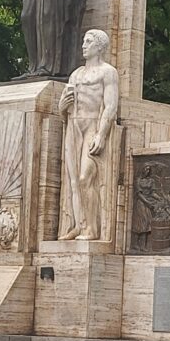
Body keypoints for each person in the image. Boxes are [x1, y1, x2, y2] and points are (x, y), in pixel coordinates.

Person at [58, 29, 119, 241]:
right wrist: (61, 107)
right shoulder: (76, 74)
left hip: (92, 126)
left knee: (85, 178)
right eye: (84, 41)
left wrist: (101, 134)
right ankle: (78, 225)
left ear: (99, 47)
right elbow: (65, 107)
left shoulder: (108, 72)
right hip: (74, 127)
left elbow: (111, 106)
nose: (84, 45)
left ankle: (92, 229)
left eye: (89, 41)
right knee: (73, 181)